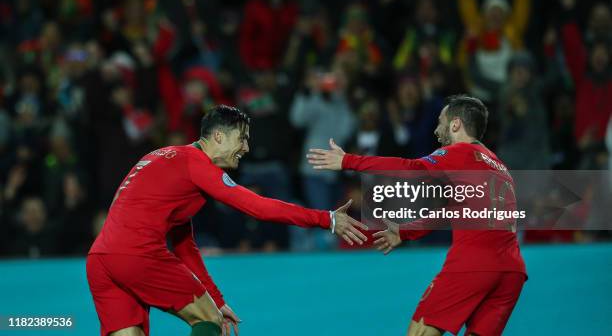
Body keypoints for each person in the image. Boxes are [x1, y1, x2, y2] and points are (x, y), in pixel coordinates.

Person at [86, 105, 367, 336]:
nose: (246, 147)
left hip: (100, 259)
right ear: (219, 136)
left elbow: (185, 248)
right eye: (241, 138)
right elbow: (257, 206)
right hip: (138, 254)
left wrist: (217, 300)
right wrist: (326, 219)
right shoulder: (196, 163)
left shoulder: (166, 159)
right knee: (209, 322)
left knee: (205, 314)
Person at [307, 95, 526, 336]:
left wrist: (349, 160)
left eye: (440, 122)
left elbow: (411, 169)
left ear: (455, 124)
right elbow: (450, 214)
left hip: (473, 264)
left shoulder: (460, 153)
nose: (436, 130)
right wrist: (405, 231)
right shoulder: (498, 166)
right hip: (511, 271)